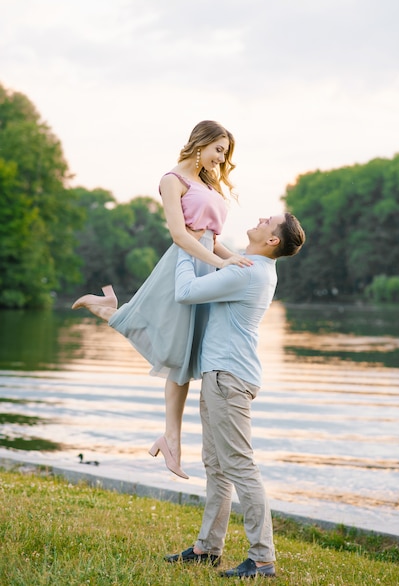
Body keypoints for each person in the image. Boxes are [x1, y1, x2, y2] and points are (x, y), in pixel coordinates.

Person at [71, 120, 252, 479]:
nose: (221, 158)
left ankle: (171, 438)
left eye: (225, 153)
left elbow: (211, 238)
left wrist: (234, 262)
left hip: (206, 264)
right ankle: (108, 310)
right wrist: (220, 263)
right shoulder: (173, 180)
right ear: (201, 143)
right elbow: (179, 235)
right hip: (185, 264)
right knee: (176, 350)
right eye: (219, 149)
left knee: (182, 355)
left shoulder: (208, 182)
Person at [165, 212, 305, 578]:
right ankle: (207, 549)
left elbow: (184, 293)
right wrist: (203, 235)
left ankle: (262, 559)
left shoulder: (246, 272)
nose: (260, 218)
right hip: (223, 376)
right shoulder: (254, 267)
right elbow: (218, 252)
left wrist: (184, 246)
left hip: (228, 379)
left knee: (240, 467)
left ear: (272, 240)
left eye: (268, 220)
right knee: (217, 467)